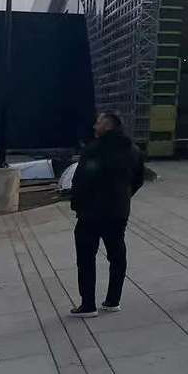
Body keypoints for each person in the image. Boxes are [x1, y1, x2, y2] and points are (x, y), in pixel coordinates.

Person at [68, 113, 145, 317]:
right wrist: (124, 196)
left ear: (108, 126)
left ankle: (88, 304)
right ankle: (113, 300)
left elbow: (81, 180)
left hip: (91, 212)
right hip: (118, 211)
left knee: (86, 257)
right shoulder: (132, 150)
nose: (95, 126)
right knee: (117, 255)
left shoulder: (93, 149)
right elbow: (138, 179)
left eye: (99, 123)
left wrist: (77, 204)